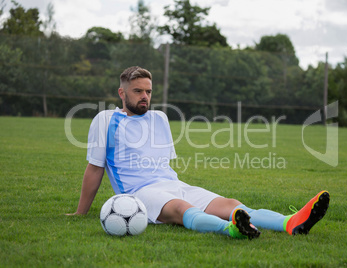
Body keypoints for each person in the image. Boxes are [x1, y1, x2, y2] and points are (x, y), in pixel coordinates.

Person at [67, 66, 330, 239]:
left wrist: (175, 185)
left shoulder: (159, 118)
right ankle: (231, 230)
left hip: (173, 183)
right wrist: (81, 212)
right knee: (182, 209)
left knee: (231, 204)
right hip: (139, 192)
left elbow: (162, 164)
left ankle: (291, 222)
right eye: (138, 91)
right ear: (121, 92)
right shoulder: (105, 120)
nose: (144, 96)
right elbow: (95, 167)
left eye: (148, 91)